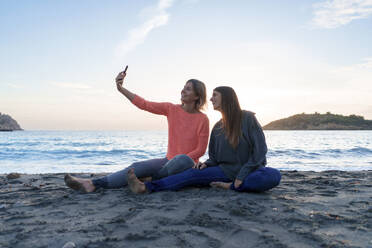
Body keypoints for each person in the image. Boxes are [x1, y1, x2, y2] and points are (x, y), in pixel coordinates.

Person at [64, 68, 209, 193]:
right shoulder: (171, 109)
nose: (183, 90)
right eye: (184, 87)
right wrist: (121, 89)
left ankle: (150, 179)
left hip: (187, 165)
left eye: (188, 89)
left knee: (181, 159)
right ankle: (92, 184)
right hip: (167, 161)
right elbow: (144, 104)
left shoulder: (203, 119)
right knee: (136, 167)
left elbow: (201, 150)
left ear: (197, 96)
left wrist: (178, 160)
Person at [127, 86, 281, 194]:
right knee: (191, 175)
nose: (211, 99)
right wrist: (206, 164)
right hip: (226, 171)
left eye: (215, 95)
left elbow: (260, 151)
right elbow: (215, 158)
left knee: (273, 176)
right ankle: (146, 187)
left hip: (250, 171)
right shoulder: (217, 127)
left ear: (226, 98)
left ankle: (231, 186)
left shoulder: (248, 118)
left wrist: (241, 175)